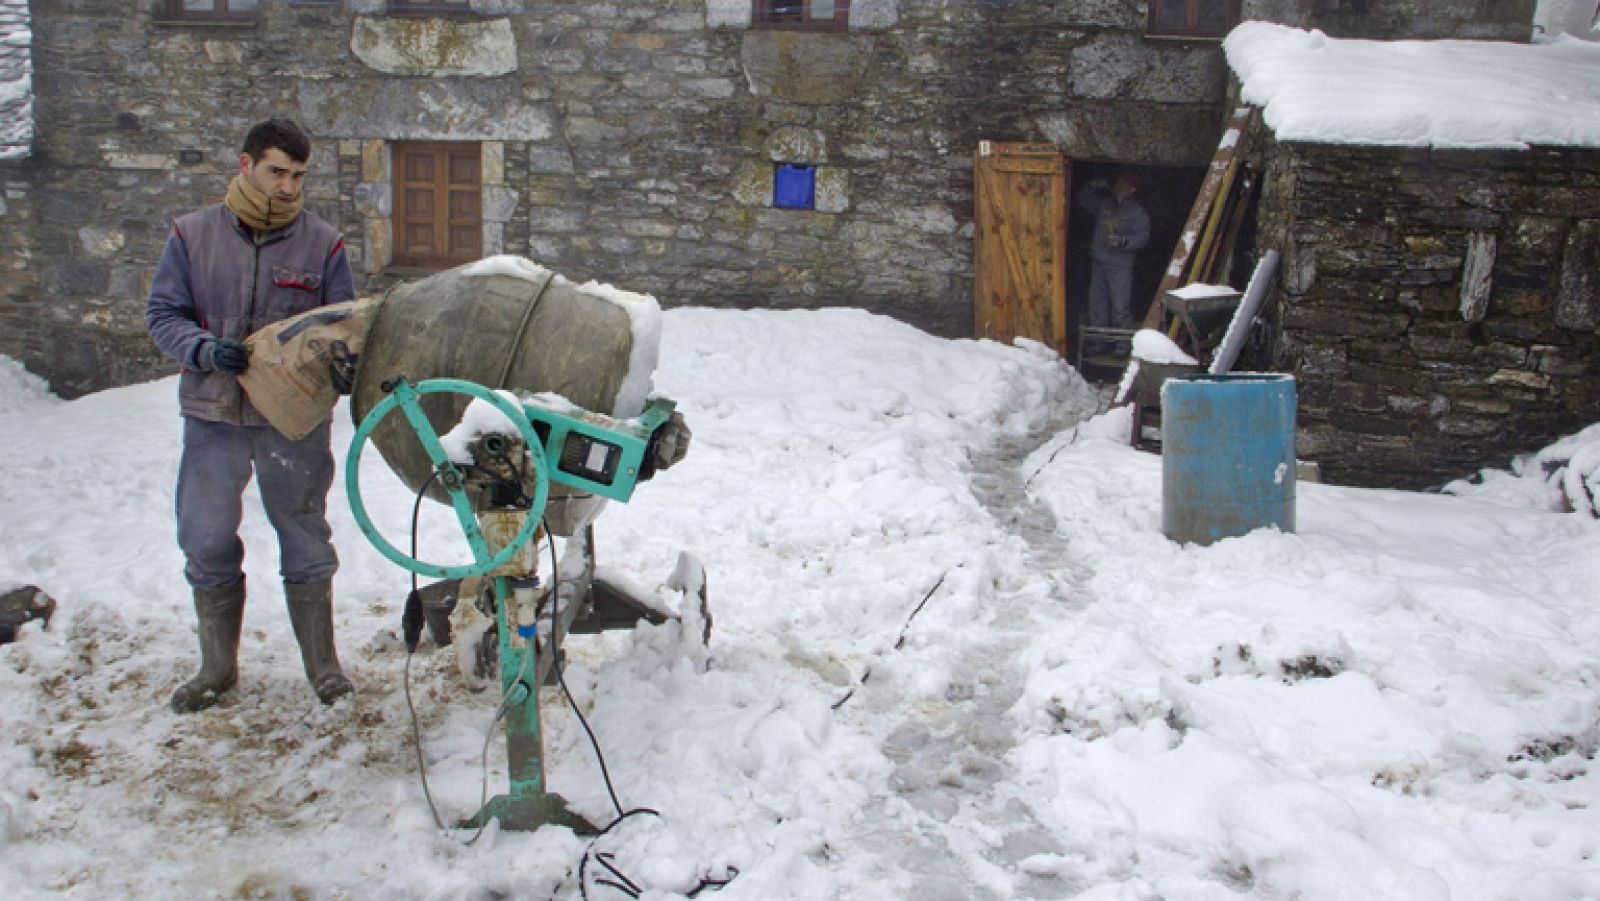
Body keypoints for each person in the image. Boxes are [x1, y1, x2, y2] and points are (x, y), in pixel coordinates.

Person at [146, 117, 357, 713]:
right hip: (213, 415)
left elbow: (344, 327)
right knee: (206, 537)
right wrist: (203, 349)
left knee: (306, 538)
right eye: (277, 172)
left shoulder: (324, 244)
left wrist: (344, 365)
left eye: (297, 176)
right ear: (245, 165)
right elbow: (163, 315)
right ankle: (216, 668)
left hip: (291, 421)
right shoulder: (192, 237)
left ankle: (324, 668)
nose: (288, 187)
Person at [1076, 171, 1151, 330]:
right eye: (1118, 183)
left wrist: (1123, 241)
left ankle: (1122, 346)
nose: (1118, 186)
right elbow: (1082, 198)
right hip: (1099, 261)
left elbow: (1143, 238)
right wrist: (1092, 185)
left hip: (1120, 266)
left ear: (1132, 190)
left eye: (1123, 184)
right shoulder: (1104, 204)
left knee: (1120, 307)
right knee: (1097, 305)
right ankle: (1098, 344)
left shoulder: (1138, 213)